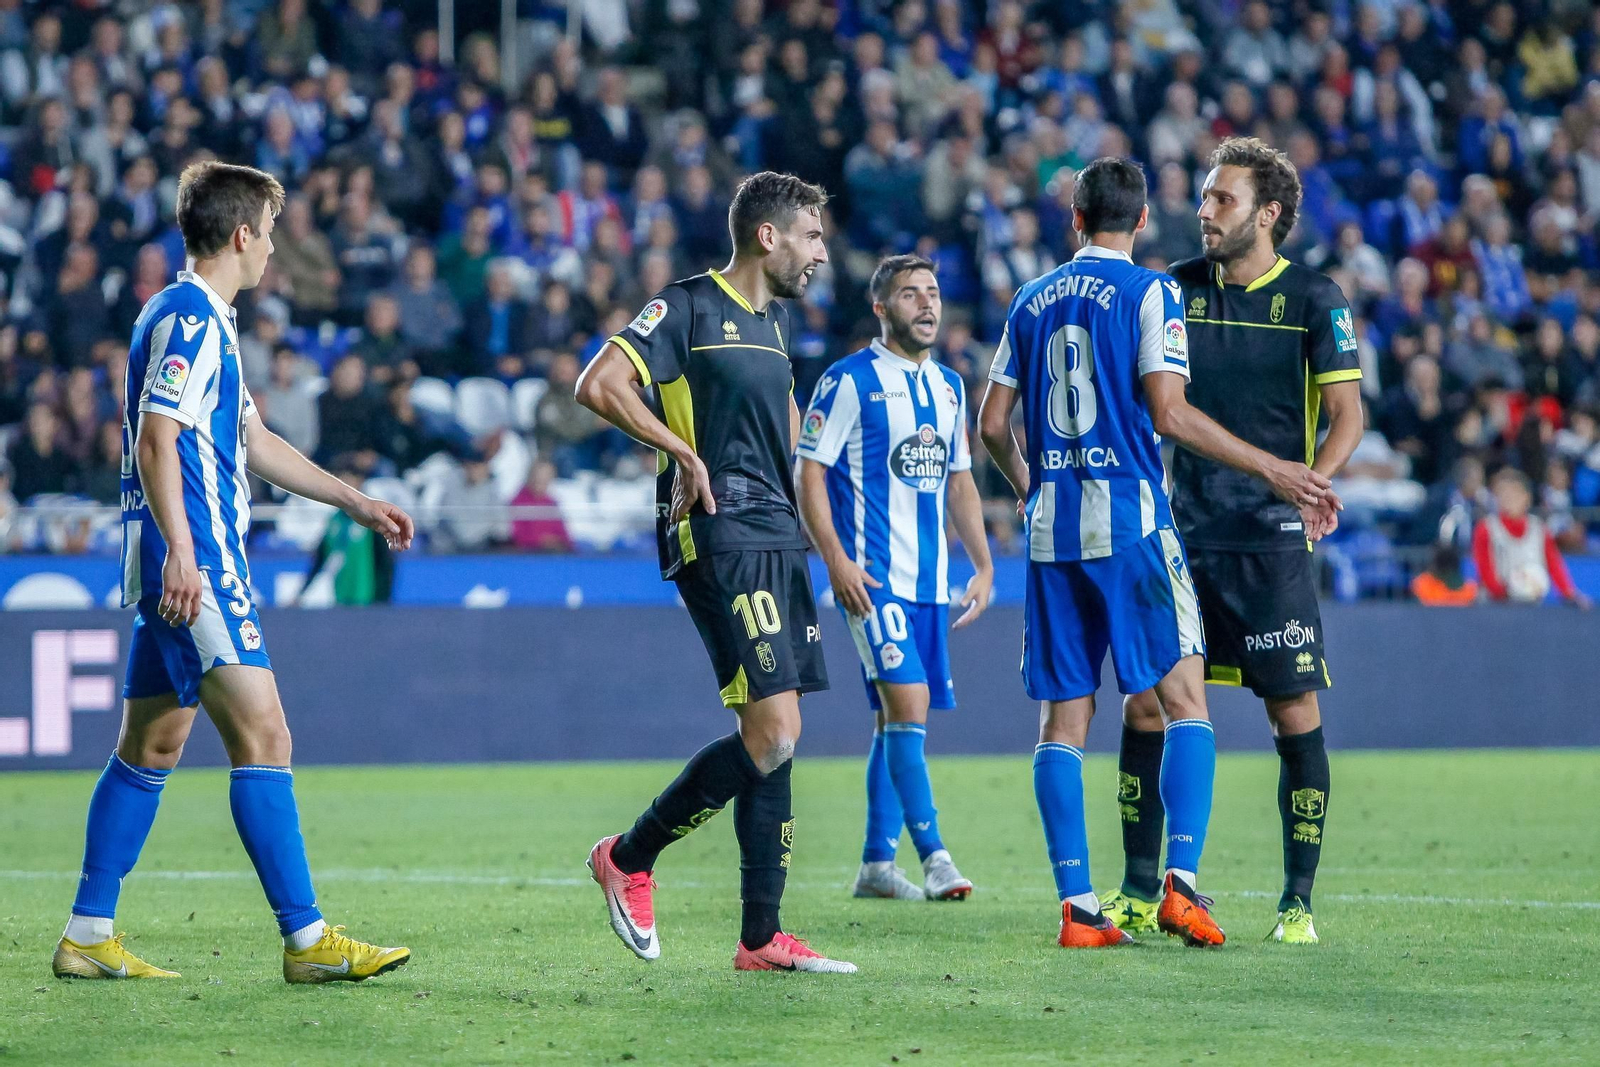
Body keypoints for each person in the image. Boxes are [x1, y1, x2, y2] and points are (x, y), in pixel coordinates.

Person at [53, 161, 415, 984]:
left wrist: (353, 501)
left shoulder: (202, 320)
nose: (275, 248)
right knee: (266, 733)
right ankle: (308, 938)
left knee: (152, 741)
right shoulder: (188, 316)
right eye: (272, 231)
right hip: (198, 561)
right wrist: (182, 547)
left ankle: (86, 931)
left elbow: (254, 443)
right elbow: (156, 437)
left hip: (179, 557)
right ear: (243, 234)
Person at [978, 156, 1336, 949]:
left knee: (1062, 720)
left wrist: (1031, 484)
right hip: (1132, 522)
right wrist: (1275, 466)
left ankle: (1078, 907)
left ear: (1075, 219)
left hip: (1051, 530)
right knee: (1186, 701)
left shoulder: (1032, 300)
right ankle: (1180, 885)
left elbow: (991, 423)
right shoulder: (1151, 291)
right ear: (1141, 222)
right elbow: (1169, 414)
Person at [575, 171, 854, 974]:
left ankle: (761, 937)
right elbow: (600, 384)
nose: (819, 254)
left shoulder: (771, 331)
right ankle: (628, 856)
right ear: (768, 236)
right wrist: (680, 451)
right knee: (775, 731)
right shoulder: (688, 307)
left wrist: (828, 535)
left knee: (775, 739)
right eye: (810, 237)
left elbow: (792, 441)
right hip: (718, 531)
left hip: (780, 537)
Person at [1110, 138, 1364, 947]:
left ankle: (1297, 900)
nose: (1204, 210)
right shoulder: (1175, 290)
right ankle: (1140, 887)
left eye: (1222, 199)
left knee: (1292, 710)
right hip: (1183, 533)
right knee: (1148, 702)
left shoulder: (1318, 300)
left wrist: (1312, 485)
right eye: (1206, 197)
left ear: (1270, 214)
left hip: (1269, 540)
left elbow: (1349, 415)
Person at [794, 254, 992, 903]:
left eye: (933, 292)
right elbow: (811, 472)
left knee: (896, 720)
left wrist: (983, 563)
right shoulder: (849, 380)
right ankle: (935, 857)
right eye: (910, 295)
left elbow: (960, 479)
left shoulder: (949, 387)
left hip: (930, 582)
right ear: (882, 309)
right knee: (907, 704)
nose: (927, 305)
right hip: (870, 579)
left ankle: (877, 864)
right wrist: (836, 560)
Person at [1472, 467, 1590, 609]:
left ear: (1526, 498)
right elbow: (1485, 570)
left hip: (1531, 609)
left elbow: (1553, 563)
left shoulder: (1539, 529)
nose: (1508, 499)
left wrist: (1570, 594)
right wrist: (1510, 590)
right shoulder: (1486, 529)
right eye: (1502, 494)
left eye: (1514, 494)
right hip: (1494, 607)